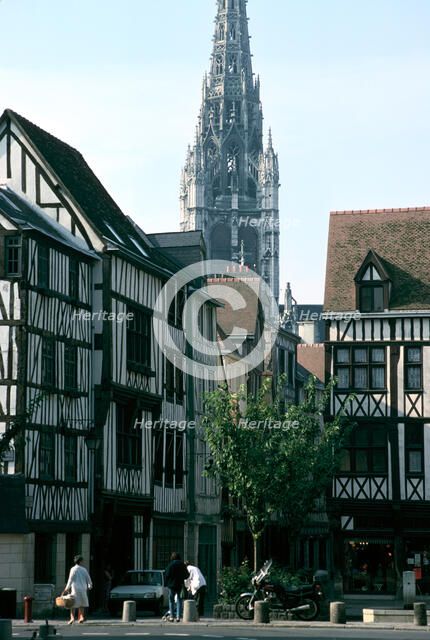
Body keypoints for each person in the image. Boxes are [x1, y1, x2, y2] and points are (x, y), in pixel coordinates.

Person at [63, 555, 93, 624]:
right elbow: (88, 578)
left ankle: (72, 618)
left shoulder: (73, 569)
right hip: (83, 589)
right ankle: (81, 617)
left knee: (72, 604)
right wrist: (90, 585)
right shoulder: (84, 569)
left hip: (75, 589)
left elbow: (70, 579)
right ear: (81, 561)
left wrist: (67, 588)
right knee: (81, 604)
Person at [165, 552, 189, 622]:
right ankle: (178, 617)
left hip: (171, 585)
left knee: (171, 600)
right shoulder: (182, 565)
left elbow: (167, 574)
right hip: (180, 584)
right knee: (179, 600)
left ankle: (172, 617)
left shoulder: (170, 565)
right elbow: (187, 575)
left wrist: (167, 583)